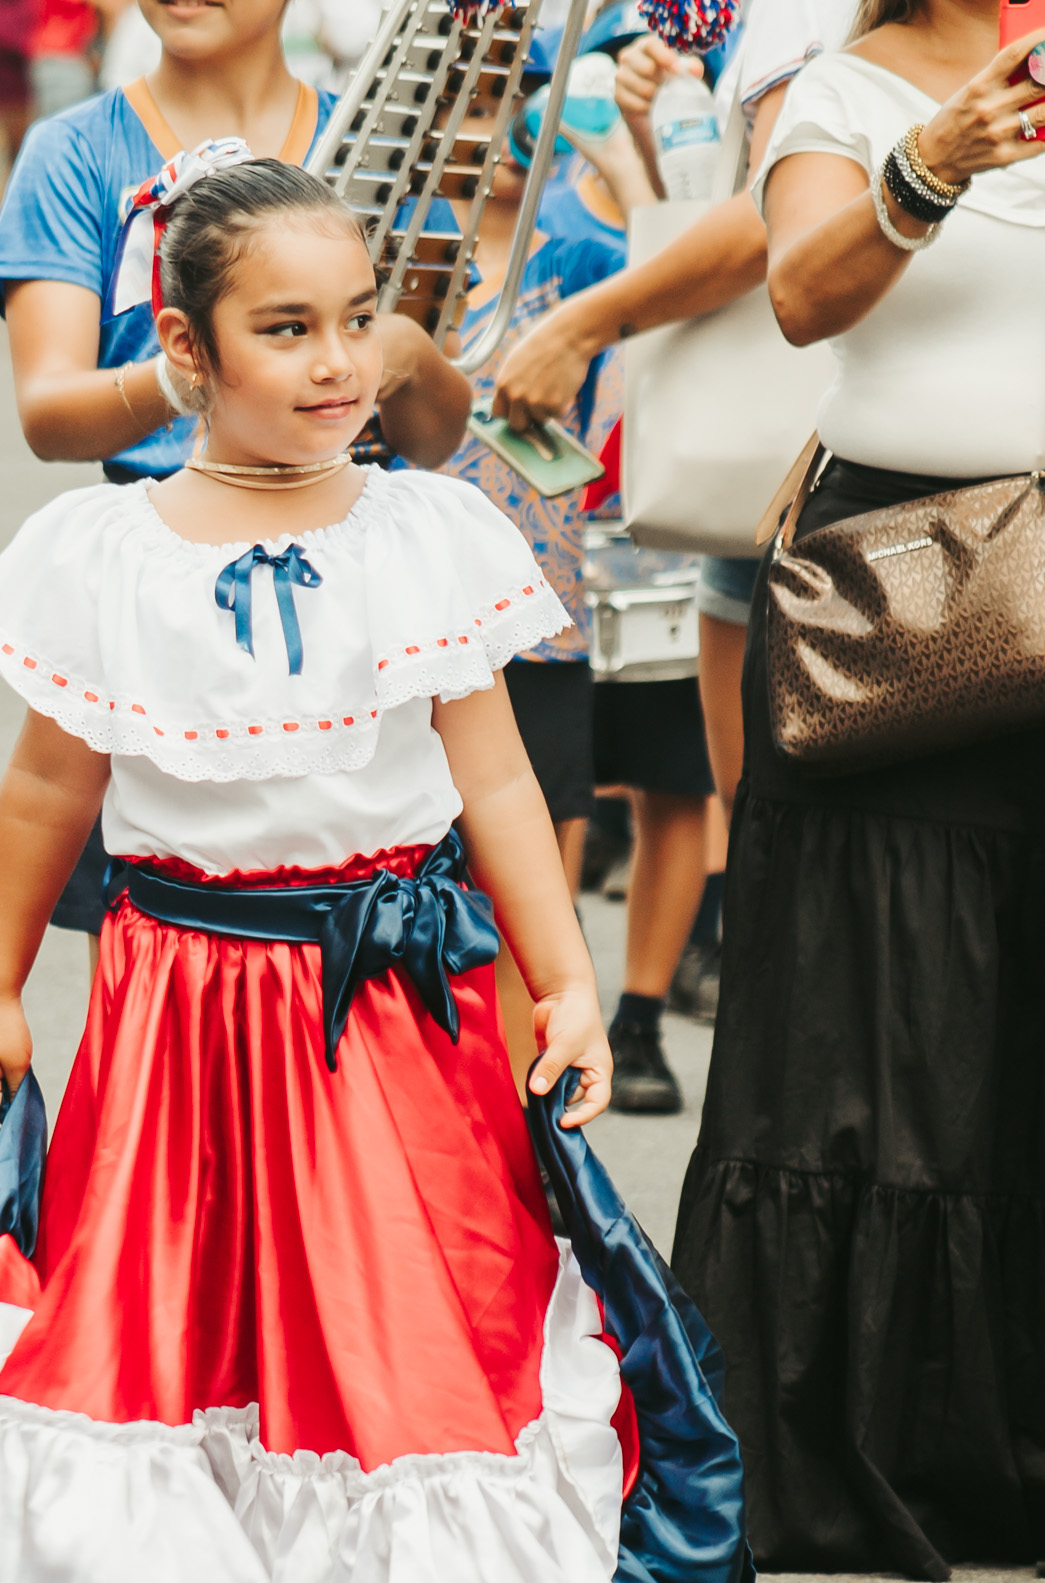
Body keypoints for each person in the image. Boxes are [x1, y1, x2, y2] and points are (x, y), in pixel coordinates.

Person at [0, 148, 752, 1583]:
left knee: (403, 1356)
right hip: (172, 1008)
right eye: (286, 329)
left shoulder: (426, 529)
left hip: (384, 1017)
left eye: (358, 320)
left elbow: (492, 783)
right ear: (186, 353)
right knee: (146, 1345)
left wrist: (561, 977)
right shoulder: (102, 548)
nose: (338, 362)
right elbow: (49, 790)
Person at [673, 1, 1045, 1580]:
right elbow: (804, 296)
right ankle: (868, 1435)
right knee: (878, 1021)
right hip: (914, 612)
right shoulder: (839, 88)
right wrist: (930, 161)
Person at [0, 0, 472, 951]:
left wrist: (403, 353)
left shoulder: (386, 137)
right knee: (157, 922)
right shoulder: (76, 149)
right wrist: (187, 371)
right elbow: (47, 412)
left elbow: (437, 432)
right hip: (162, 578)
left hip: (360, 571)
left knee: (400, 909)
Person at [492, 0, 859, 1037]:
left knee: (807, 852)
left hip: (851, 467)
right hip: (751, 484)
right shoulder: (743, 25)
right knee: (766, 842)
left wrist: (588, 320)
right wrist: (660, 129)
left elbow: (774, 212)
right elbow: (716, 198)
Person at [435, 57, 626, 1095]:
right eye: (474, 103)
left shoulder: (587, 251)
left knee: (535, 880)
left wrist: (613, 151)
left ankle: (528, 1114)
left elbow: (671, 268)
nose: (497, 127)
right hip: (420, 622)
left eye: (520, 105)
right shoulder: (400, 256)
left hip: (544, 608)